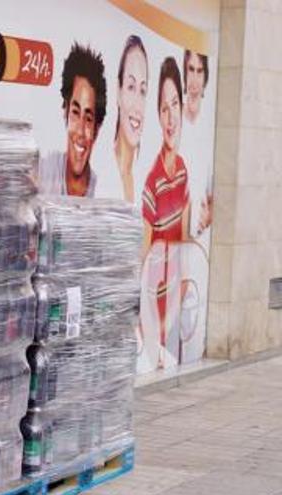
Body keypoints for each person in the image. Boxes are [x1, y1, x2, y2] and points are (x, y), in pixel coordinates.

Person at [141, 57, 191, 370]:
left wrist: (182, 300)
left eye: (175, 105)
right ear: (158, 116)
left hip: (176, 311)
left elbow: (183, 245)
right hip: (153, 318)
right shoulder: (152, 182)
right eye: (163, 108)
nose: (170, 117)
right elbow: (143, 261)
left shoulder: (183, 171)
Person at [38, 43, 107, 197]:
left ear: (97, 128)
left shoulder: (101, 192)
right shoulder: (45, 174)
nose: (81, 132)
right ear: (65, 111)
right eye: (75, 112)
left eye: (88, 118)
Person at [109, 36, 147, 203]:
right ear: (118, 91)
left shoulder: (146, 173)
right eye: (131, 87)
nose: (137, 104)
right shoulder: (99, 169)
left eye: (143, 90)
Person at [183, 49, 213, 238]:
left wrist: (209, 215)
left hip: (200, 237)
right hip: (173, 231)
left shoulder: (210, 127)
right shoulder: (173, 122)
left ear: (205, 77)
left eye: (199, 71)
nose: (194, 79)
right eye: (190, 69)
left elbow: (216, 193)